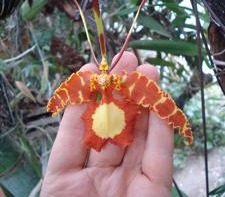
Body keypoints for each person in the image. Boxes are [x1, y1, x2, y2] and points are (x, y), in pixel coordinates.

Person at [40, 52, 174, 197]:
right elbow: (63, 96)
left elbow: (154, 96)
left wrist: (175, 117)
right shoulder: (91, 81)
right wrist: (55, 105)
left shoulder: (119, 80)